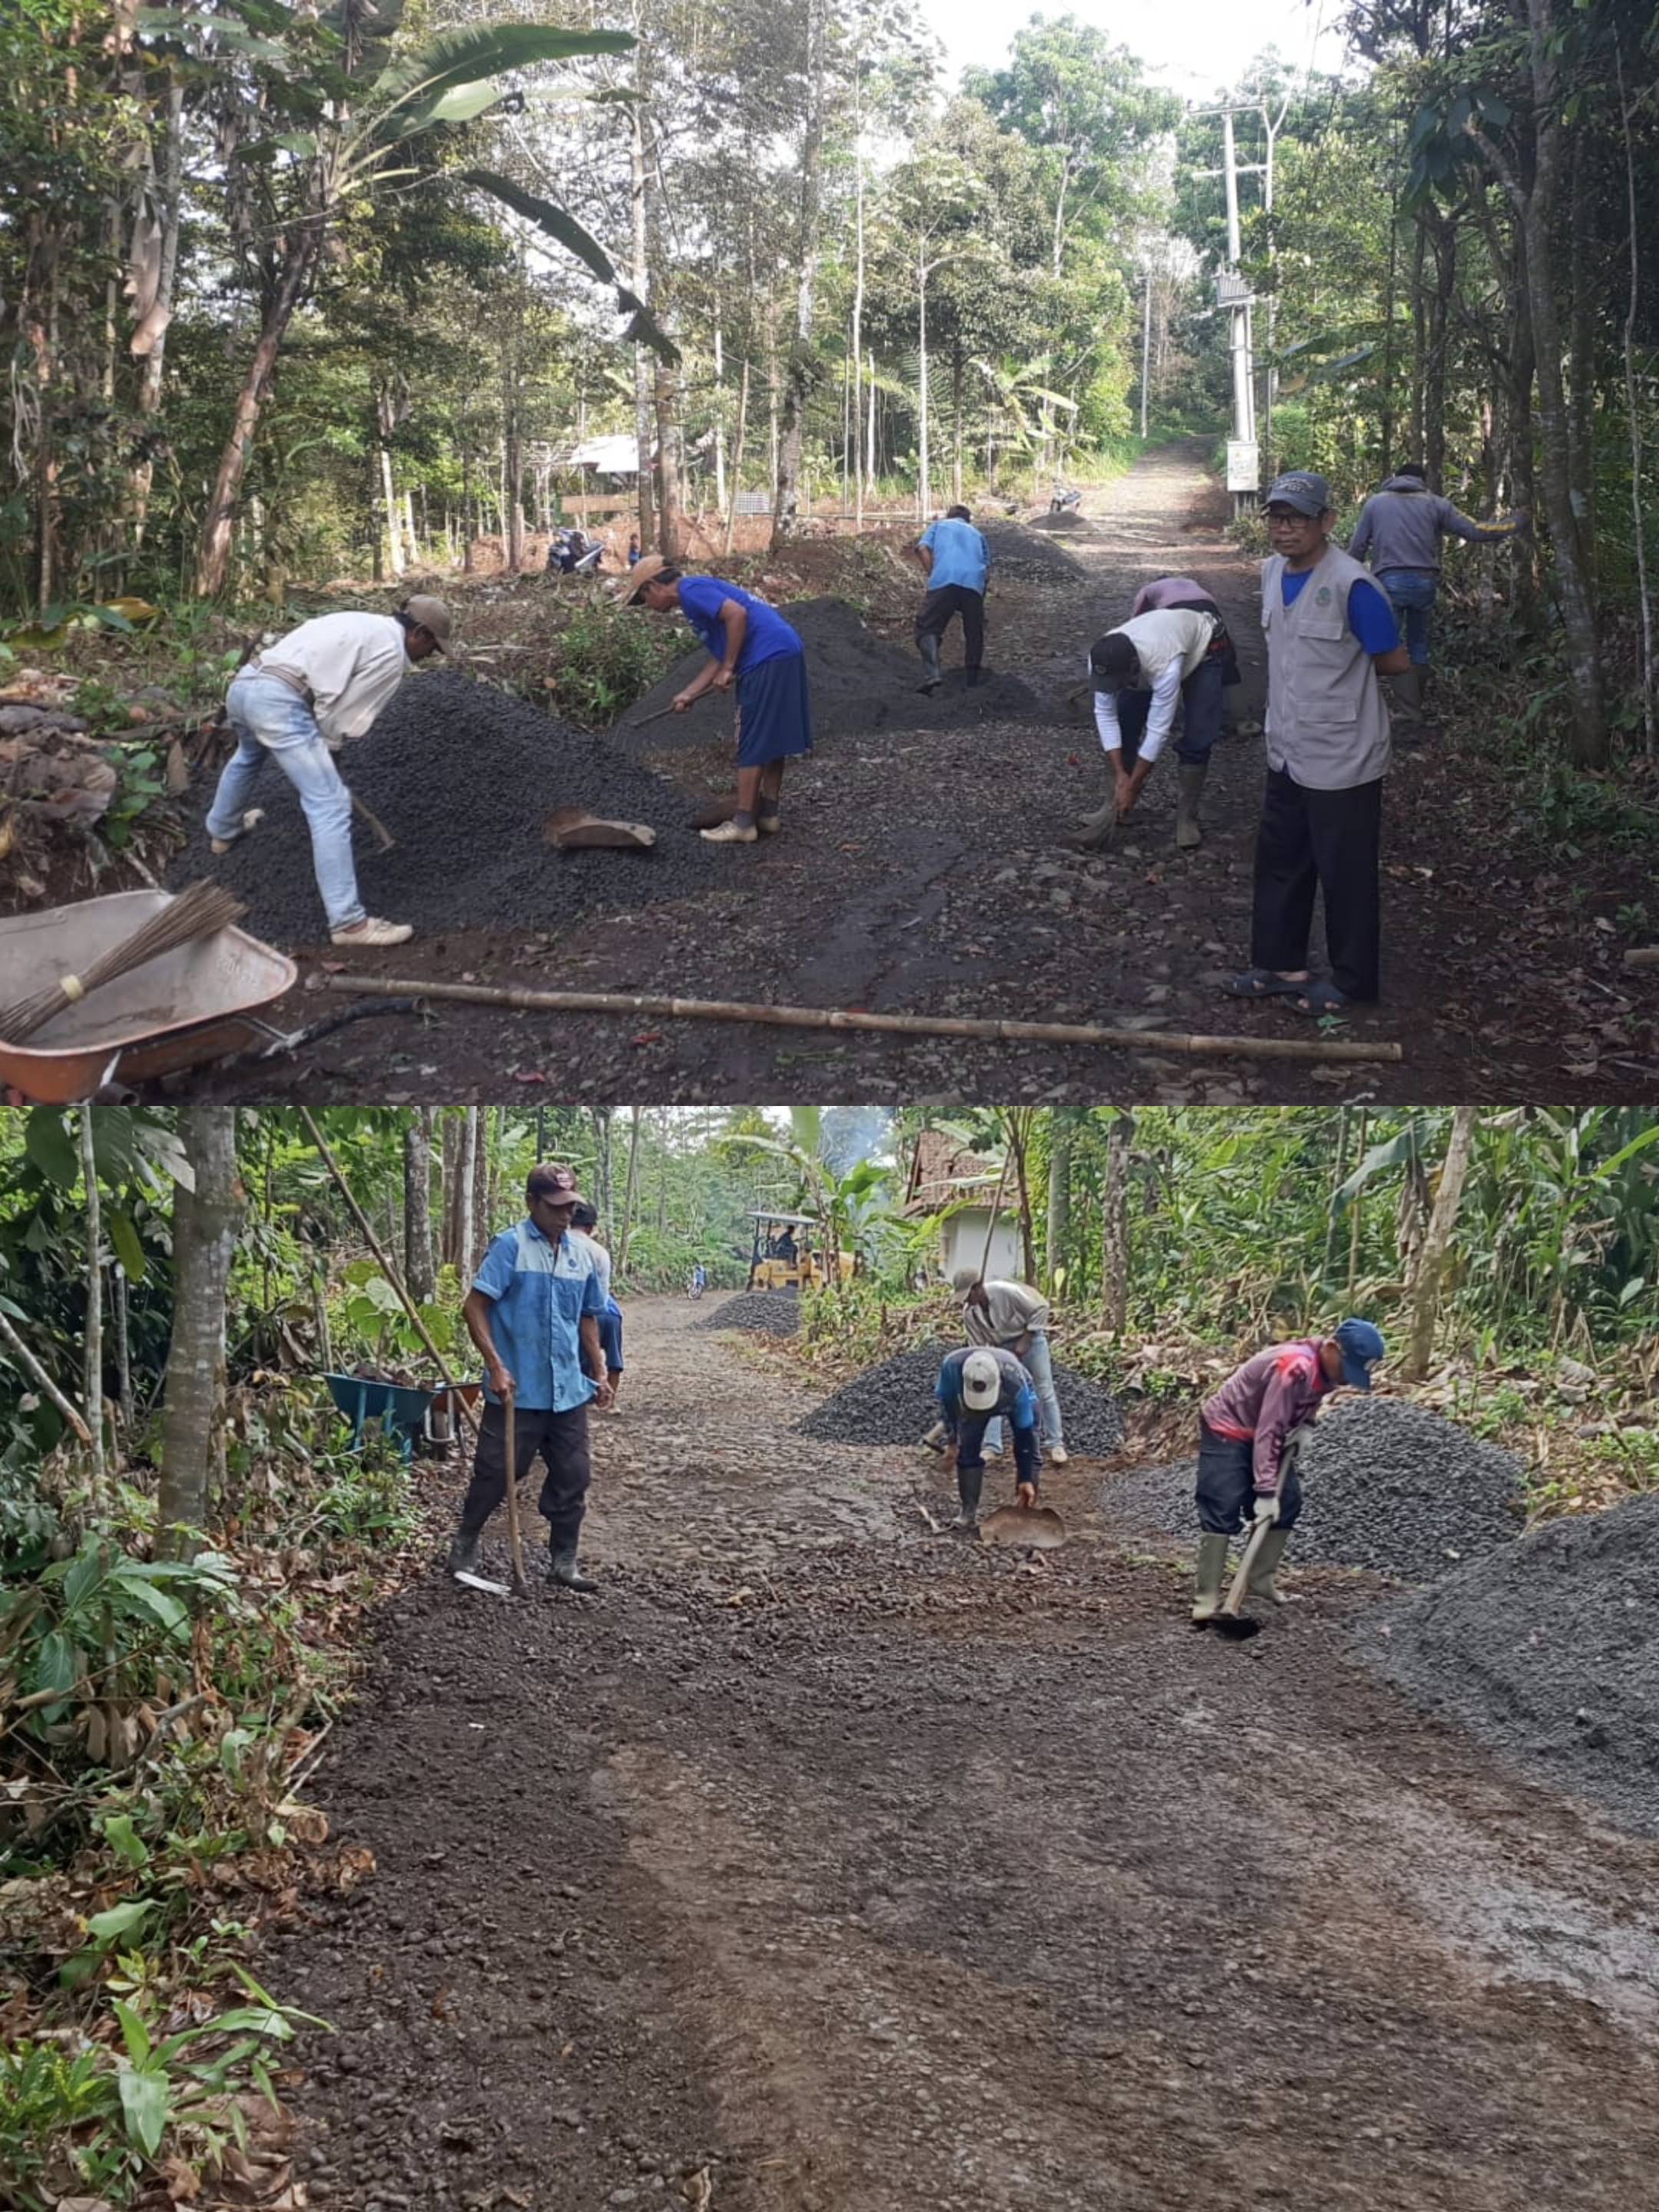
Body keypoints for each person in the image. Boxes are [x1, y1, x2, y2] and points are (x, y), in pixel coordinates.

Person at [1222, 471, 1411, 1017]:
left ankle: (1353, 982)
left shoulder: (1354, 585)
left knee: (1345, 871)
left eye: (1298, 519)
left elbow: (1393, 660)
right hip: (1286, 745)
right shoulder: (1270, 573)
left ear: (1327, 522)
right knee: (1281, 857)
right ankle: (1281, 964)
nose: (1285, 530)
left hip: (1344, 752)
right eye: (1278, 519)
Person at [205, 597, 451, 946]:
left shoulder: (363, 622)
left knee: (248, 755)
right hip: (279, 701)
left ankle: (223, 830)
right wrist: (332, 755)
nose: (431, 656)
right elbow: (340, 718)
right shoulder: (392, 653)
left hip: (247, 685)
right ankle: (349, 924)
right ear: (420, 633)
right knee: (330, 804)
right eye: (432, 647)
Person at [444, 1162, 613, 1593]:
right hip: (518, 1389)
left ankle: (563, 1561)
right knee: (497, 1472)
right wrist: (496, 1366)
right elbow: (474, 1306)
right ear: (531, 1203)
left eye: (570, 1207)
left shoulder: (580, 1255)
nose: (564, 1215)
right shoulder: (510, 1247)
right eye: (555, 1207)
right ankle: (465, 1541)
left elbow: (588, 1317)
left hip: (567, 1390)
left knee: (574, 1475)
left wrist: (598, 1369)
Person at [1191, 1318, 1386, 1626]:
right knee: (1222, 1504)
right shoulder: (1293, 1368)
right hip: (1228, 1427)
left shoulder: (1326, 1368)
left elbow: (1311, 1397)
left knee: (1290, 1502)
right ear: (1333, 1348)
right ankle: (1207, 1599)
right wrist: (1265, 1492)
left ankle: (1258, 1581)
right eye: (1347, 1370)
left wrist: (1307, 1424)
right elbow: (1269, 1432)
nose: (1346, 1380)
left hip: (1265, 1428)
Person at [618, 555, 813, 845]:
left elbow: (737, 615)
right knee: (773, 737)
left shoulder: (691, 590)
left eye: (643, 600)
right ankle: (768, 814)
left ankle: (744, 823)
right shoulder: (696, 596)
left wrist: (729, 667)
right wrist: (690, 693)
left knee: (751, 738)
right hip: (783, 650)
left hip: (766, 658)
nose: (648, 607)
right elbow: (720, 654)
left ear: (652, 587)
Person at [1349, 465, 1526, 731]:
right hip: (1424, 582)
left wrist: (1346, 581)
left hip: (1389, 581)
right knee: (1418, 644)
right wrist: (1517, 521)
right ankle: (1413, 708)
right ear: (1423, 481)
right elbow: (1477, 530)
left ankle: (1395, 712)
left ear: (1395, 479)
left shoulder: (1376, 504)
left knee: (1389, 646)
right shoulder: (1436, 503)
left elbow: (1358, 547)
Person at [1082, 592, 1240, 849]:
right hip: (1159, 645)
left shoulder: (1164, 665)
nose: (1111, 687)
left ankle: (1186, 817)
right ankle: (1112, 804)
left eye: (1118, 682)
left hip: (1203, 649)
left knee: (1200, 732)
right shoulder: (1100, 658)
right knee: (1124, 720)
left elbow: (1157, 731)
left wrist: (1134, 785)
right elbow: (1105, 715)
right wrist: (1121, 774)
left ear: (1133, 668)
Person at [949, 1269, 1068, 1465]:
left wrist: (1025, 1343)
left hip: (1030, 1340)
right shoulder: (969, 1313)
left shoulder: (1006, 1292)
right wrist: (989, 1363)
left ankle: (1056, 1444)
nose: (966, 1301)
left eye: (968, 1295)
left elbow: (1041, 1308)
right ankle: (992, 1447)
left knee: (1043, 1389)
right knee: (991, 1392)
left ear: (978, 1288)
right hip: (999, 1348)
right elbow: (978, 1346)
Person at [934, 1345, 1042, 1532]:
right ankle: (968, 1512)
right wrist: (952, 1442)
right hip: (969, 1403)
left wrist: (1026, 1478)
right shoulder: (952, 1368)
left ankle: (1025, 1507)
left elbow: (1025, 1436)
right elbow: (949, 1407)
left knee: (1030, 1446)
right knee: (967, 1446)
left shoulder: (1015, 1387)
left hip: (1014, 1391)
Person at [912, 504, 992, 693]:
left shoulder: (939, 526)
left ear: (949, 516)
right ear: (968, 519)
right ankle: (972, 681)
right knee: (974, 632)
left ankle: (933, 674)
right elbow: (987, 572)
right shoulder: (978, 535)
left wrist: (934, 574)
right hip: (974, 585)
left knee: (926, 626)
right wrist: (979, 602)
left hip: (945, 579)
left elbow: (922, 549)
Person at [570, 1200, 624, 1415]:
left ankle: (578, 1398)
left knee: (575, 1355)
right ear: (592, 1228)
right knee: (613, 1357)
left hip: (576, 1314)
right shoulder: (600, 1252)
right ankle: (611, 1402)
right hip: (608, 1312)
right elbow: (602, 1291)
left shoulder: (561, 1245)